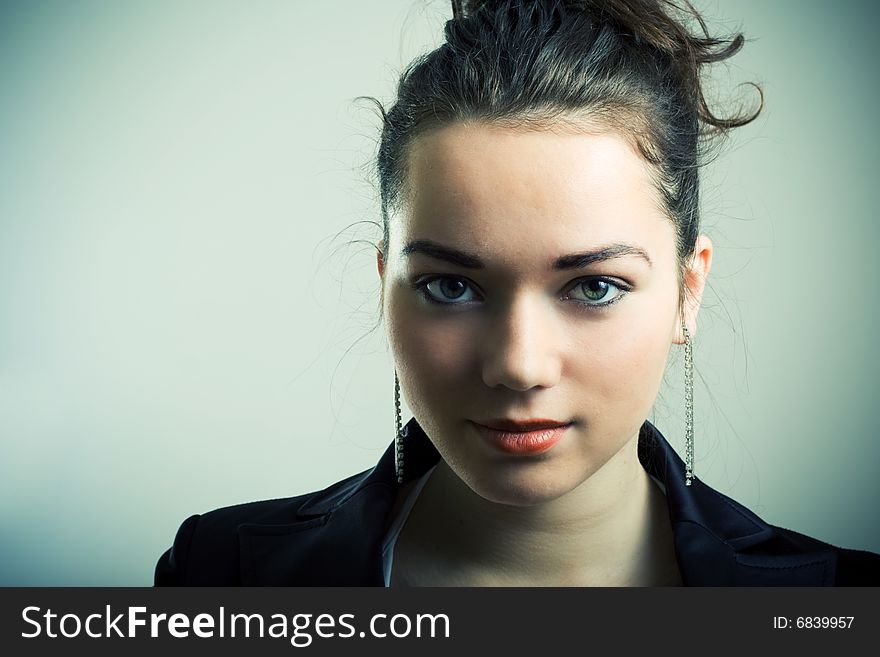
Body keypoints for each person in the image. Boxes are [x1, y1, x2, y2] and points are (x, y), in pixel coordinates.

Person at [154, 0, 880, 586]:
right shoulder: (222, 579)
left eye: (593, 286)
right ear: (386, 288)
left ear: (688, 291)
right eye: (451, 286)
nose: (520, 365)